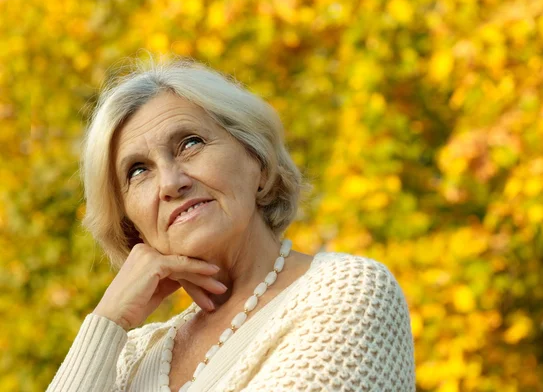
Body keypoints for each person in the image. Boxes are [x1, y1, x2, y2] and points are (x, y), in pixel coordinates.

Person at [47, 58, 415, 392]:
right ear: (132, 226)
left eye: (190, 143)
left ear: (258, 160)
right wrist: (108, 320)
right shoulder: (129, 356)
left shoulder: (346, 293)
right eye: (138, 171)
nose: (171, 183)